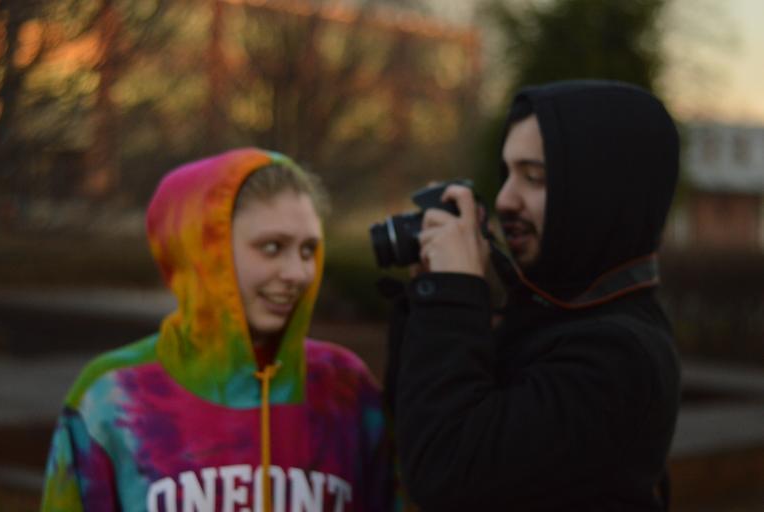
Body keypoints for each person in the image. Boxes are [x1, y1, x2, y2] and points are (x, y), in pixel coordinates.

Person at [41, 148, 392, 511]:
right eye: (272, 247)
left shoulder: (345, 388)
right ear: (204, 252)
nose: (298, 273)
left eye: (308, 250)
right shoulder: (111, 396)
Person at [384, 80, 681, 510]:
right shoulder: (553, 312)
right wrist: (429, 295)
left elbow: (443, 470)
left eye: (535, 178)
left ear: (601, 192)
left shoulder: (620, 358)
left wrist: (451, 295)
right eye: (507, 175)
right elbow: (415, 423)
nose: (505, 200)